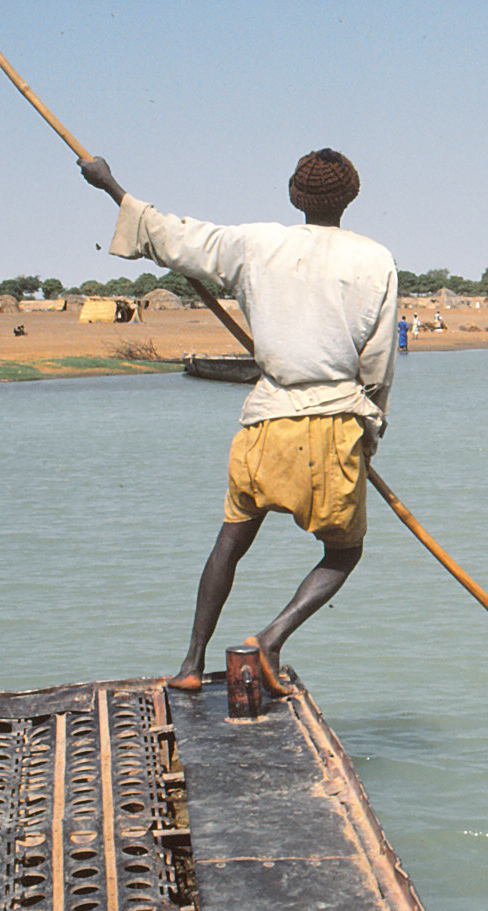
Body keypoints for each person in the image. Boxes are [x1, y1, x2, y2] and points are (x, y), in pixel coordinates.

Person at [81, 148, 398, 695]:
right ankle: (271, 638)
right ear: (351, 196)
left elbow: (172, 237)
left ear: (294, 196)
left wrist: (110, 185)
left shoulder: (255, 243)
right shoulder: (375, 260)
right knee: (345, 551)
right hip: (331, 427)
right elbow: (378, 365)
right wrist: (369, 432)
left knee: (230, 542)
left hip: (265, 424)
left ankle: (190, 663)